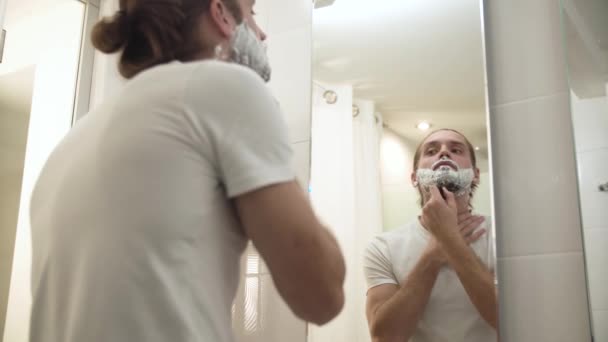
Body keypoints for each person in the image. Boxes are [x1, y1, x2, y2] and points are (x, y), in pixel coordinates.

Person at [28, 1, 345, 341]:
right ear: (222, 13)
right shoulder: (227, 86)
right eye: (252, 13)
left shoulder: (71, 142)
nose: (262, 32)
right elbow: (322, 296)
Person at [363, 129, 498, 342]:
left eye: (455, 149)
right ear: (415, 177)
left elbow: (512, 320)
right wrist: (434, 253)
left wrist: (450, 241)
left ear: (475, 174)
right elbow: (385, 337)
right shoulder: (383, 248)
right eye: (432, 150)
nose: (444, 153)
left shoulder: (503, 237)